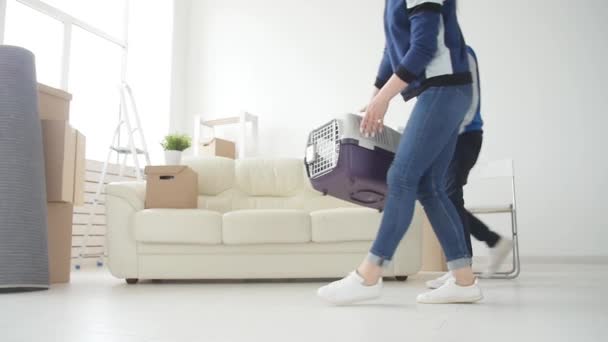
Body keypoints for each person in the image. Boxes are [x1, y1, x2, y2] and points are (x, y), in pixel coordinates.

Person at [317, 0, 483, 305]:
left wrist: (385, 98)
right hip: (445, 92)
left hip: (443, 90)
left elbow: (422, 48)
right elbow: (392, 50)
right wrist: (375, 97)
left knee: (402, 176)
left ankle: (368, 275)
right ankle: (463, 280)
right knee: (428, 187)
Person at [426, 46, 514, 289]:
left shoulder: (461, 53)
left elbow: (470, 100)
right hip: (447, 138)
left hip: (465, 135)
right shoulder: (432, 58)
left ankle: (461, 267)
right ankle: (484, 248)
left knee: (449, 195)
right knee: (442, 197)